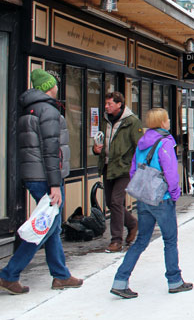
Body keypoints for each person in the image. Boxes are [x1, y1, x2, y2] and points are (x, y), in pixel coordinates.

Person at [0, 70, 84, 295]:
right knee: (44, 228)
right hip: (48, 179)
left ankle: (61, 275)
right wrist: (55, 185)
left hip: (34, 175)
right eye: (55, 84)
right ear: (49, 86)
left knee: (52, 227)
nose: (57, 86)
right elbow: (51, 150)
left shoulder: (29, 110)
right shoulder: (48, 111)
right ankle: (9, 274)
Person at [110, 108, 192, 299]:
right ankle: (175, 280)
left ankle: (120, 280)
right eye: (167, 118)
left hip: (144, 198)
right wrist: (174, 193)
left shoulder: (142, 143)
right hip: (161, 199)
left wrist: (142, 191)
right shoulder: (165, 143)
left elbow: (133, 171)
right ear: (162, 121)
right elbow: (171, 174)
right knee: (170, 240)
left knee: (140, 241)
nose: (169, 121)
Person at [93, 91, 143, 253]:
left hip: (125, 168)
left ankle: (116, 241)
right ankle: (132, 224)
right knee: (111, 203)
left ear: (119, 104)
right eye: (106, 104)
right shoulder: (106, 120)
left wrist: (138, 168)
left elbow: (140, 147)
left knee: (115, 201)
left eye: (110, 104)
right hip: (108, 166)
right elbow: (101, 140)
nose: (106, 107)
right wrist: (96, 149)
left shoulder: (132, 122)